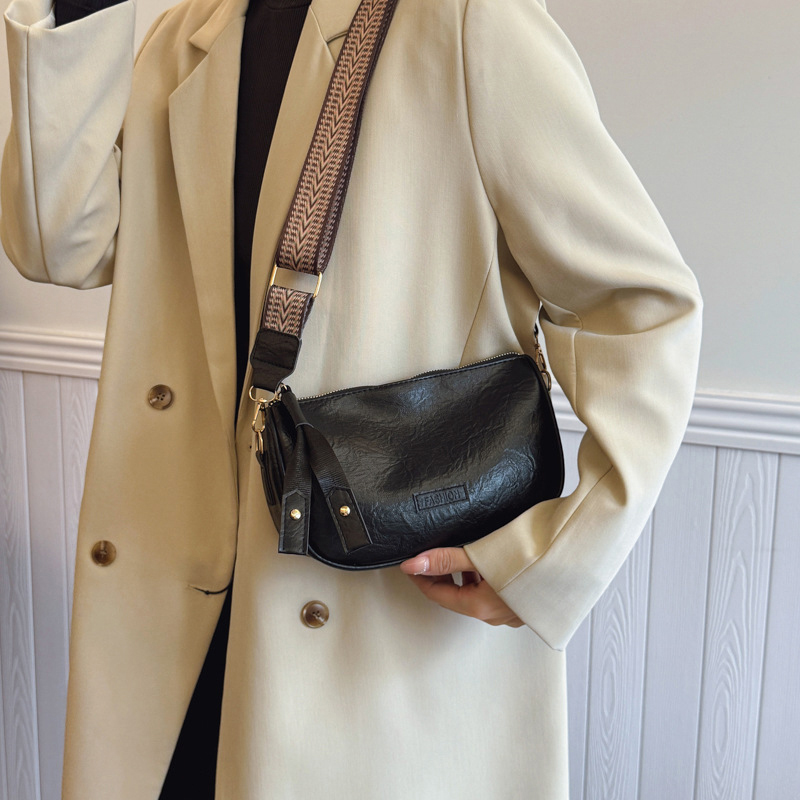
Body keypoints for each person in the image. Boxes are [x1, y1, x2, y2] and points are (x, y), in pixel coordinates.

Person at [0, 0, 703, 796]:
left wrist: (549, 558)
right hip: (183, 625)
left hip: (373, 624)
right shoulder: (188, 36)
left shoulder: (467, 23)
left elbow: (642, 307)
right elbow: (60, 245)